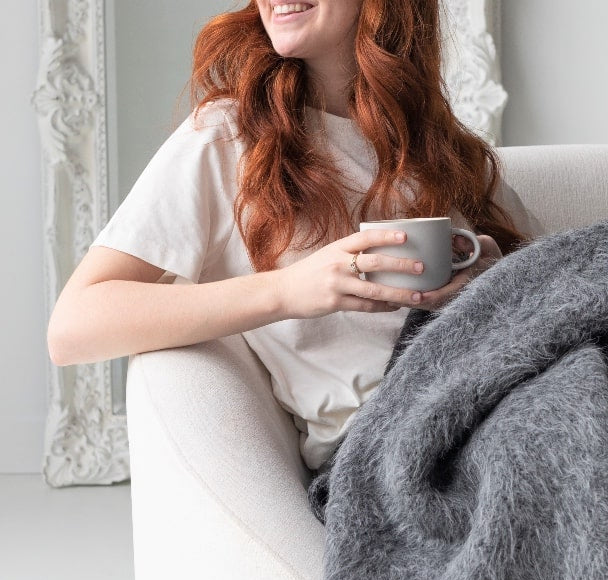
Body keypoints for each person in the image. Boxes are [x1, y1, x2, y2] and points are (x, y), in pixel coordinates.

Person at [47, 0, 537, 471]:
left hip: (501, 393)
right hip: (388, 447)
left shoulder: (441, 144)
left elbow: (555, 296)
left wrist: (496, 278)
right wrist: (287, 291)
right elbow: (73, 326)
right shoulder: (227, 137)